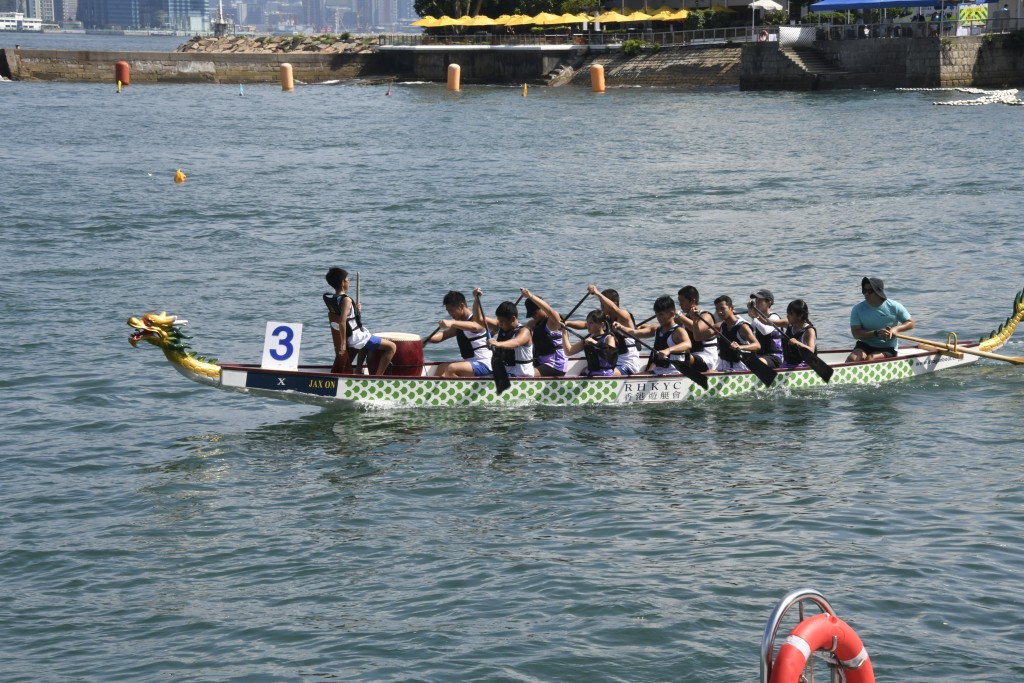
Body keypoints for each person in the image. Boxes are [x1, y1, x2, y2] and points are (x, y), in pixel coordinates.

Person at [324, 267, 395, 375]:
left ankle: (358, 370)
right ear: (343, 283)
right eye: (347, 280)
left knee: (365, 339)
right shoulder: (346, 300)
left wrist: (355, 310)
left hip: (350, 336)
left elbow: (345, 315)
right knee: (391, 347)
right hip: (355, 338)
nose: (349, 282)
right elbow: (342, 322)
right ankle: (378, 377)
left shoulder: (335, 298)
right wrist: (343, 345)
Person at [615, 295, 692, 375]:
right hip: (658, 371)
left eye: (661, 314)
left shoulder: (679, 331)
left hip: (674, 372)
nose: (658, 318)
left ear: (672, 314)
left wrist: (668, 350)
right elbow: (634, 333)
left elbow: (687, 344)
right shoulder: (657, 329)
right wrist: (621, 328)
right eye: (657, 314)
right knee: (631, 378)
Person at [424, 289, 493, 378]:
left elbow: (476, 326)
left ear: (461, 306)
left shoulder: (477, 320)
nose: (450, 314)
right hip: (472, 363)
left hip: (486, 364)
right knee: (441, 368)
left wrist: (452, 323)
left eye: (451, 310)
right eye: (448, 311)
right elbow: (442, 335)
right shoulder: (460, 323)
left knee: (451, 368)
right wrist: (424, 340)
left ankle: (462, 390)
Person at [846, 276, 915, 362]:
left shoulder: (894, 306)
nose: (866, 294)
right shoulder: (857, 309)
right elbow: (856, 334)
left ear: (878, 292)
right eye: (864, 290)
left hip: (888, 347)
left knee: (871, 358)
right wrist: (876, 333)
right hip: (865, 345)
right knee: (852, 359)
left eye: (870, 291)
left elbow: (910, 323)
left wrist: (895, 329)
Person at [520, 287, 568, 377]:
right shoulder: (533, 323)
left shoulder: (553, 321)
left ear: (542, 308)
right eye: (531, 315)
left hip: (556, 365)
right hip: (540, 361)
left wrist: (530, 296)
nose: (533, 316)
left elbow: (549, 310)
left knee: (527, 374)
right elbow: (521, 333)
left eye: (535, 313)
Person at [482, 298, 535, 378]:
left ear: (513, 319)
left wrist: (497, 343)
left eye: (502, 321)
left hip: (522, 375)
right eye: (499, 321)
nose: (499, 324)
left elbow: (516, 342)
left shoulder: (524, 331)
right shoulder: (502, 332)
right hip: (507, 373)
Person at [674, 285, 719, 373]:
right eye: (679, 301)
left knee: (683, 357)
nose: (680, 304)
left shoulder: (706, 316)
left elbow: (697, 330)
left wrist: (680, 316)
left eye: (682, 301)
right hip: (692, 357)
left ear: (692, 301)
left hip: (707, 358)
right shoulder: (684, 317)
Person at [562, 309, 618, 377]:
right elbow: (569, 351)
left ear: (601, 324)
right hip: (590, 373)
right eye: (587, 323)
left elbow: (611, 355)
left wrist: (596, 343)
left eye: (591, 323)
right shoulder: (589, 338)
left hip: (604, 375)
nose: (588, 326)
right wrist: (564, 331)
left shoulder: (609, 338)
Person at [713, 295, 760, 372]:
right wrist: (695, 318)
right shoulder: (720, 326)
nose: (719, 312)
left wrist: (740, 347)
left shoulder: (743, 327)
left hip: (740, 366)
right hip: (723, 364)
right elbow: (698, 337)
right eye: (717, 310)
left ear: (731, 308)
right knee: (708, 372)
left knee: (710, 373)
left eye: (722, 309)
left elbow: (757, 345)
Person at [745, 288, 783, 368]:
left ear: (769, 302)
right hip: (761, 356)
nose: (756, 305)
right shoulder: (758, 319)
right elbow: (748, 331)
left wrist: (754, 317)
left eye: (759, 302)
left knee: (758, 362)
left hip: (775, 357)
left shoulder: (774, 317)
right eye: (756, 302)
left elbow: (765, 331)